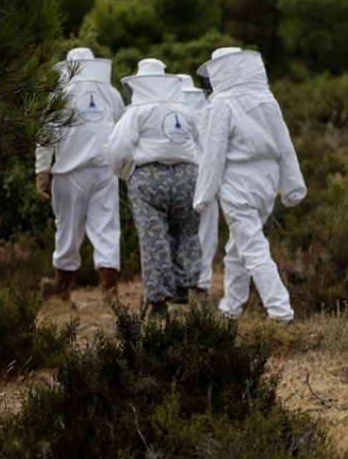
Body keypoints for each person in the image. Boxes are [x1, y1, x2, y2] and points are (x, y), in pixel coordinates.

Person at [192, 47, 304, 323]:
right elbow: (284, 145)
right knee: (237, 247)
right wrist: (292, 185)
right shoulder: (267, 99)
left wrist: (203, 196)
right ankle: (231, 306)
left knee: (253, 248)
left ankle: (281, 312)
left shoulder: (221, 104)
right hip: (267, 181)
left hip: (237, 182)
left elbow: (213, 154)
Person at [106, 58, 202, 314]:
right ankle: (184, 285)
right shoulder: (186, 111)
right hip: (187, 176)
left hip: (149, 178)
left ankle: (158, 301)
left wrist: (124, 173)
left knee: (153, 238)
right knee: (186, 230)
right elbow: (200, 143)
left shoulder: (136, 112)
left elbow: (118, 149)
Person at [35, 47, 125, 303]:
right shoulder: (110, 92)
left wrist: (42, 171)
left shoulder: (59, 94)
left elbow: (44, 137)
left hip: (69, 174)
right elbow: (123, 130)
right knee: (106, 229)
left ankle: (62, 290)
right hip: (104, 172)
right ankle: (110, 292)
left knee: (66, 232)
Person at [179, 73, 219, 297]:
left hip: (178, 174)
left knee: (178, 231)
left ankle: (179, 283)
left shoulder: (168, 109)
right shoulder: (209, 107)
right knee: (205, 231)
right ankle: (201, 285)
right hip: (206, 173)